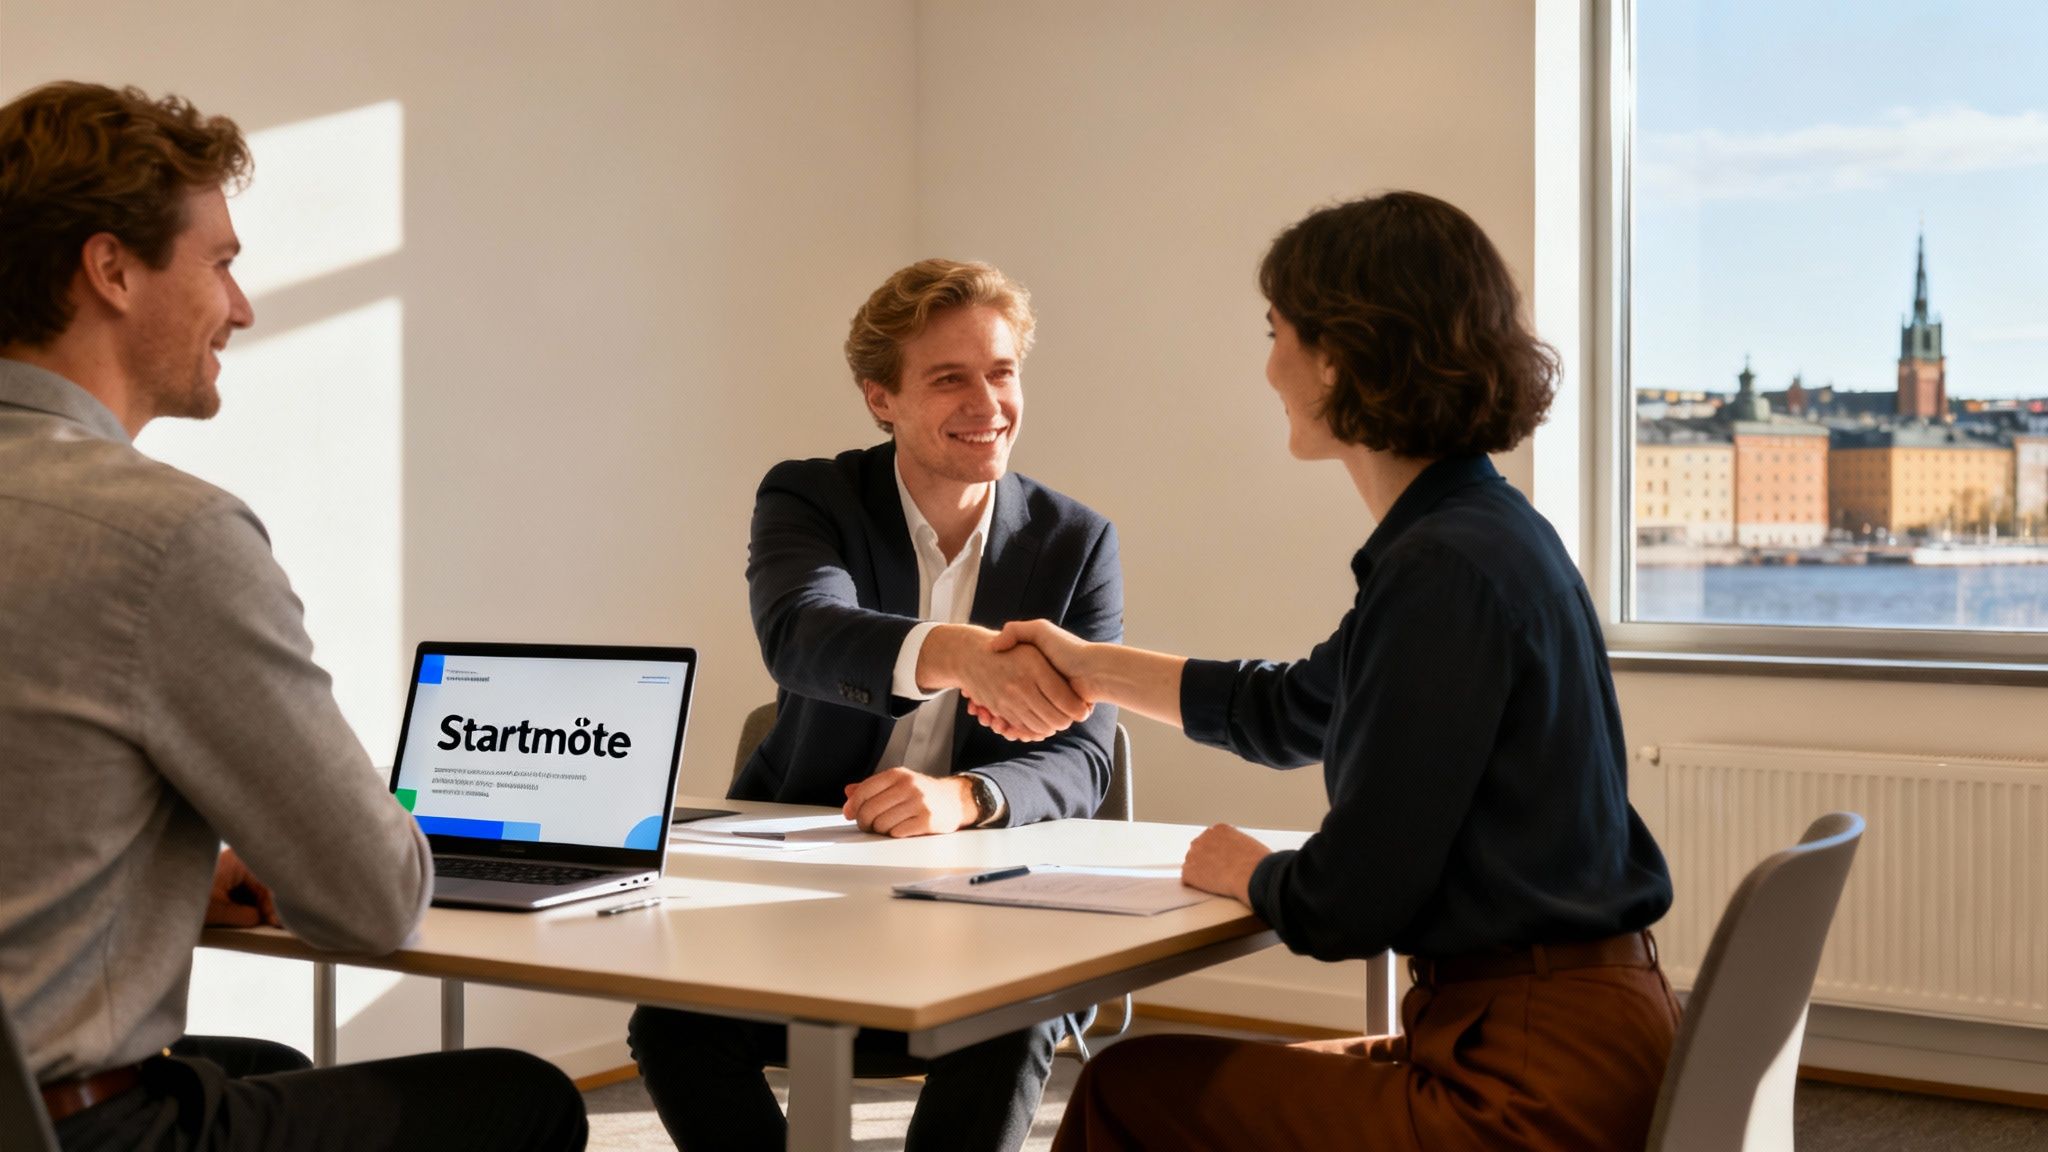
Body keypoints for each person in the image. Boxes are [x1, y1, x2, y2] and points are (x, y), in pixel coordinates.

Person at [979, 192, 1680, 1152]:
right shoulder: (1479, 532)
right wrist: (1090, 669)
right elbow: (1290, 709)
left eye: (1278, 334)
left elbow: (1354, 901)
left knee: (1129, 1092)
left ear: (1339, 356)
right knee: (1149, 1081)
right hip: (1568, 1038)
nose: (1269, 366)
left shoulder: (1440, 571)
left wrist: (1252, 871)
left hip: (1522, 1090)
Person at [0, 81, 587, 1151]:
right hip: (69, 1132)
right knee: (522, 1094)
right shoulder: (162, 536)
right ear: (112, 269)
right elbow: (373, 900)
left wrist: (157, 864)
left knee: (262, 1069)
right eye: (220, 261)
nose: (243, 305)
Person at [626, 258, 1123, 1152]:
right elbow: (805, 633)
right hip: (801, 887)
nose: (988, 403)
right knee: (672, 1024)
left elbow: (1084, 756)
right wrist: (961, 653)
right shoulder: (809, 496)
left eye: (1002, 372)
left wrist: (967, 799)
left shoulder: (1075, 541)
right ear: (880, 398)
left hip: (983, 901)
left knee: (1011, 1020)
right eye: (948, 379)